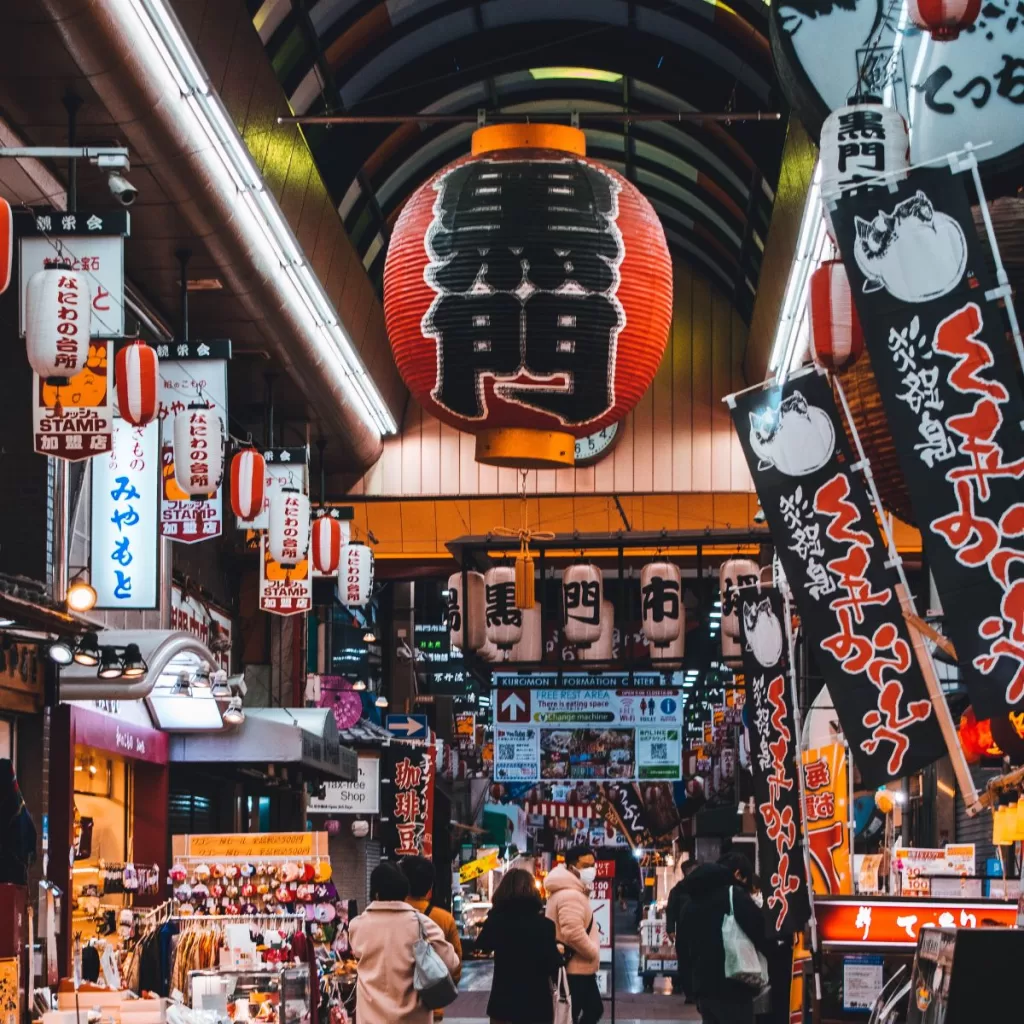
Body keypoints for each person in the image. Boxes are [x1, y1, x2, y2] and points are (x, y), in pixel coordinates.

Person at [349, 861, 460, 1024]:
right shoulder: (423, 925)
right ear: (404, 893)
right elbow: (452, 962)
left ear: (376, 894)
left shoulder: (357, 926)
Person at [678, 852, 773, 1024]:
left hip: (704, 989)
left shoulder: (688, 905)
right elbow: (761, 931)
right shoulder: (733, 896)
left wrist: (691, 990)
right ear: (736, 875)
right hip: (734, 987)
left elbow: (682, 949)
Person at [475, 868, 564, 1024]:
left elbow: (482, 945)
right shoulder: (545, 926)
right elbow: (553, 963)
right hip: (537, 1005)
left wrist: (494, 914)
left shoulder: (497, 921)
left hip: (503, 1004)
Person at [401, 855, 464, 1021]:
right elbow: (455, 966)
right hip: (430, 1008)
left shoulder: (389, 919)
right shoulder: (444, 918)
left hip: (393, 1009)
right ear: (429, 889)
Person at [545, 845, 603, 1024]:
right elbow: (573, 932)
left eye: (593, 865)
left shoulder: (572, 891)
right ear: (572, 867)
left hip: (577, 968)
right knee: (581, 1011)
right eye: (585, 866)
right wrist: (592, 952)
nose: (591, 870)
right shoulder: (570, 895)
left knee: (577, 1012)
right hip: (575, 969)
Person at [665, 859, 700, 1002]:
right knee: (685, 964)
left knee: (698, 963)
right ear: (686, 872)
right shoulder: (678, 890)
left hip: (700, 933)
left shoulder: (703, 888)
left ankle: (698, 993)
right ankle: (690, 994)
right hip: (683, 932)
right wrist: (670, 929)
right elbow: (671, 911)